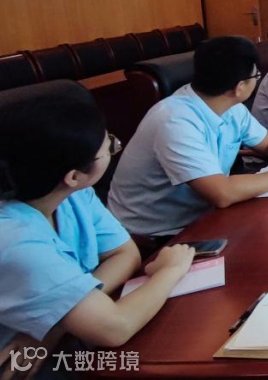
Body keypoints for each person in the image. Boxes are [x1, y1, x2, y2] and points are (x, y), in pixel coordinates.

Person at [0, 89, 194, 357]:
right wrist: (171, 269)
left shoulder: (72, 194)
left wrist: (61, 317)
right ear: (73, 175)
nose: (113, 146)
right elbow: (116, 328)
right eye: (109, 146)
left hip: (66, 339)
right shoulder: (16, 240)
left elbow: (125, 254)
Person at [108, 36, 268, 238]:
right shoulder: (174, 121)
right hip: (160, 233)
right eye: (256, 75)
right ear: (239, 87)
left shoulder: (230, 106)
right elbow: (222, 193)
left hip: (205, 215)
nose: (257, 80)